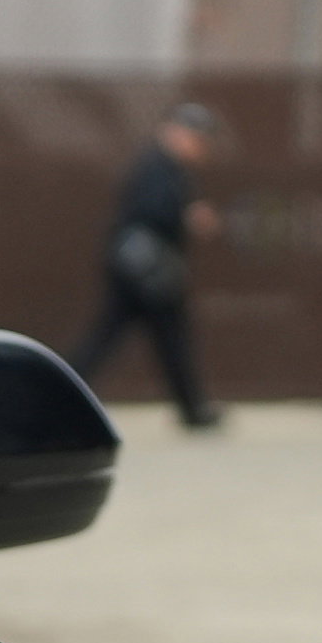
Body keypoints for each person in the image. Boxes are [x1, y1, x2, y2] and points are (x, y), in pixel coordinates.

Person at [75, 101, 226, 429]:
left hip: (144, 270)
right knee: (131, 338)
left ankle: (192, 409)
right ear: (175, 133)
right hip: (145, 271)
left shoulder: (168, 168)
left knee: (147, 338)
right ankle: (192, 410)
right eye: (195, 138)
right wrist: (187, 215)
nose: (200, 147)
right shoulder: (157, 167)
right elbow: (150, 211)